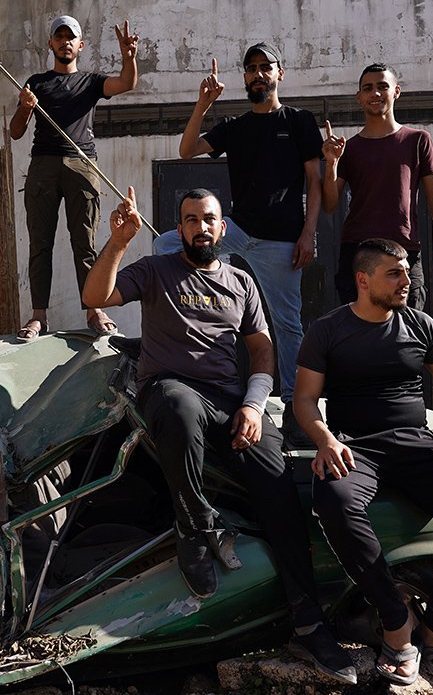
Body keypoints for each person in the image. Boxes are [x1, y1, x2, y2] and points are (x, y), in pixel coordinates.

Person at [84, 186, 357, 685]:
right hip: (170, 389)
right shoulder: (155, 270)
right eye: (190, 220)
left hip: (231, 400)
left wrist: (254, 406)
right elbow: (95, 296)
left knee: (279, 488)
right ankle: (194, 529)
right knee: (179, 407)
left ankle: (308, 622)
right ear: (179, 228)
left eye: (208, 219)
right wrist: (120, 241)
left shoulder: (241, 282)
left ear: (222, 227)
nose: (201, 228)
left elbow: (263, 354)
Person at [293, 238, 433, 693]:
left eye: (406, 273)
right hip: (356, 447)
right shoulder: (328, 330)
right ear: (363, 279)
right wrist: (326, 440)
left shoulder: (420, 325)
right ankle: (396, 623)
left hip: (417, 445)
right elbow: (304, 400)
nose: (405, 281)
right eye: (393, 274)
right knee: (332, 499)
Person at [159, 44, 323, 443]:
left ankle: (295, 406)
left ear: (279, 74)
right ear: (245, 78)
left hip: (282, 239)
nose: (258, 75)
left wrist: (308, 233)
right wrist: (203, 103)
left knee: (286, 325)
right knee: (165, 245)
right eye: (251, 69)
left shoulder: (299, 121)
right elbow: (186, 151)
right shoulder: (236, 126)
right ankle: (188, 317)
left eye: (265, 67)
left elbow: (316, 183)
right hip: (238, 229)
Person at [10, 15, 139, 341]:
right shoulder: (36, 83)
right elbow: (15, 131)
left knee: (86, 243)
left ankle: (94, 309)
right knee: (40, 243)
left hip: (83, 165)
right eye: (59, 36)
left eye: (72, 38)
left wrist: (129, 58)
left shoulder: (91, 82)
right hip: (43, 166)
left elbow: (126, 84)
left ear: (80, 46)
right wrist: (26, 107)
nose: (65, 42)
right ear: (51, 43)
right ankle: (39, 316)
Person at [321, 63, 433, 310]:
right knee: (360, 337)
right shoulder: (349, 149)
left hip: (404, 251)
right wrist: (332, 163)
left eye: (382, 87)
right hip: (359, 253)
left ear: (396, 91)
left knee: (408, 334)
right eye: (368, 88)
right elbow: (330, 204)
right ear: (359, 97)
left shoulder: (417, 140)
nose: (375, 93)